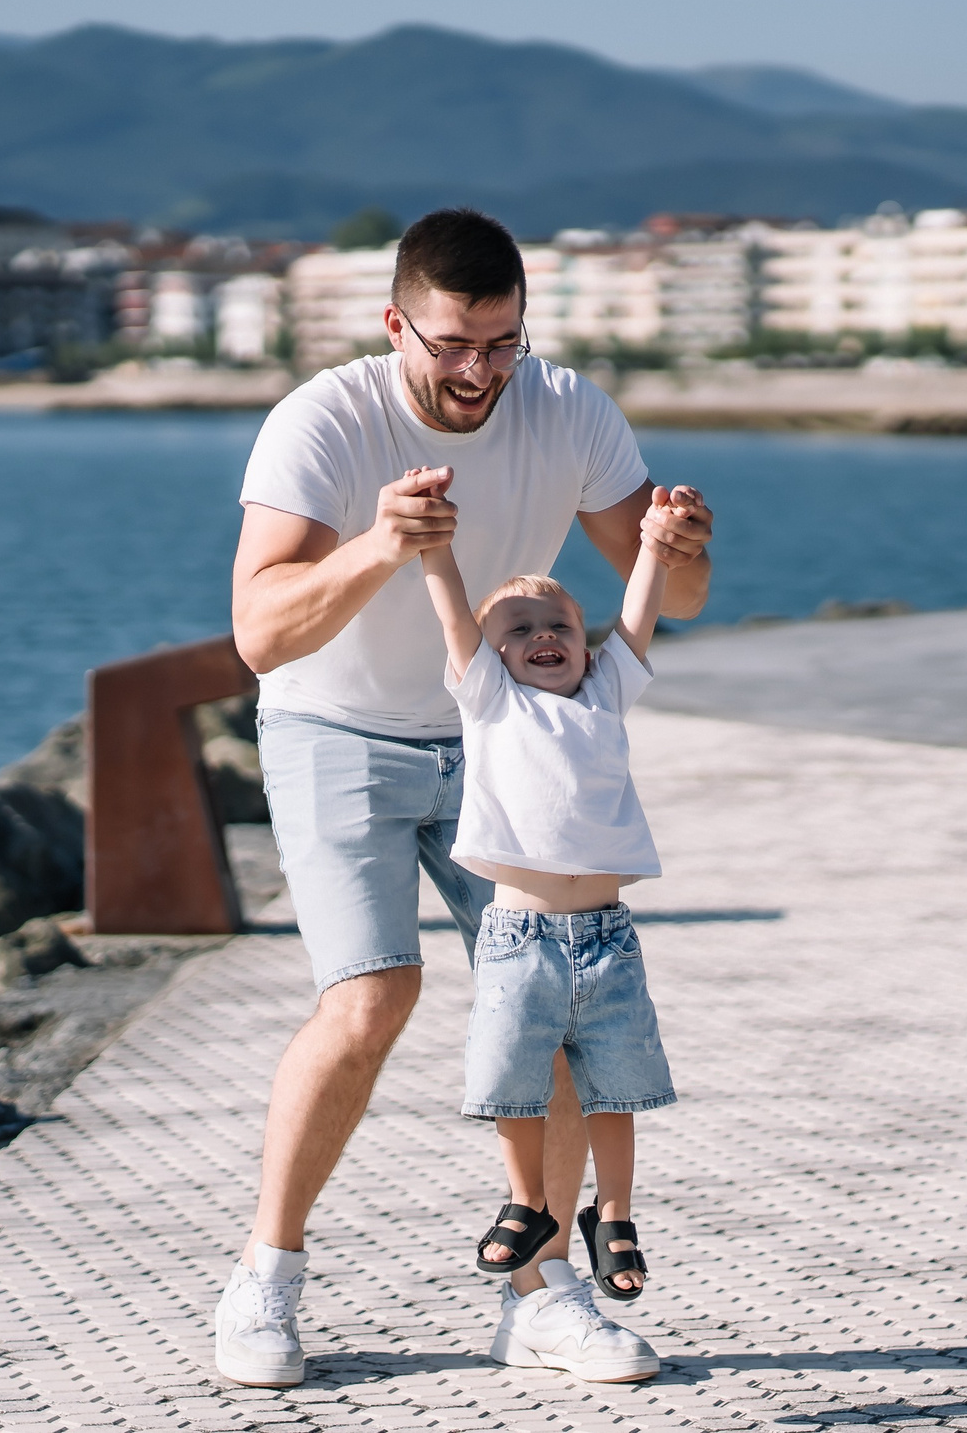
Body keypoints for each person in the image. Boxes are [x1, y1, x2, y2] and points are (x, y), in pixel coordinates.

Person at [213, 207, 713, 1389]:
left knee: (543, 993)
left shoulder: (569, 407)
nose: (480, 371)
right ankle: (265, 1277)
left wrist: (680, 542)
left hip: (499, 742)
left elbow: (673, 596)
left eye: (501, 341)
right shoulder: (323, 421)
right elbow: (257, 630)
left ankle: (539, 1295)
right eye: (451, 343)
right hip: (335, 729)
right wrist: (380, 545)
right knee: (371, 996)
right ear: (397, 324)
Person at [414, 528, 675, 1366]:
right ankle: (528, 1205)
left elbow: (636, 622)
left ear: (585, 642)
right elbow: (455, 615)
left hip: (607, 939)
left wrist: (657, 550)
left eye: (558, 623)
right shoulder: (490, 701)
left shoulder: (604, 696)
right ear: (489, 659)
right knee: (514, 1086)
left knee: (614, 1089)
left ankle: (616, 1215)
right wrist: (434, 552)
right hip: (519, 937)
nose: (543, 639)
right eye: (519, 630)